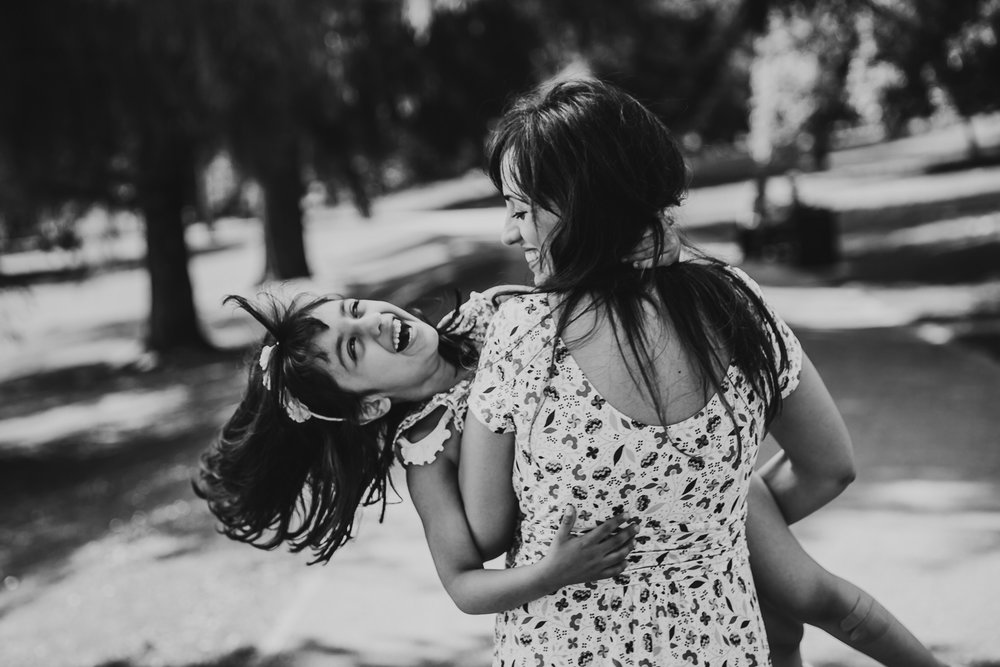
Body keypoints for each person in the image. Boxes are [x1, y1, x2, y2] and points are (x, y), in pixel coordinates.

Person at [457, 77, 945, 666]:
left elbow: (484, 531)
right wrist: (701, 521)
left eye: (520, 210)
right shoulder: (736, 302)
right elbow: (830, 468)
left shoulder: (525, 335)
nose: (509, 232)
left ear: (582, 204)